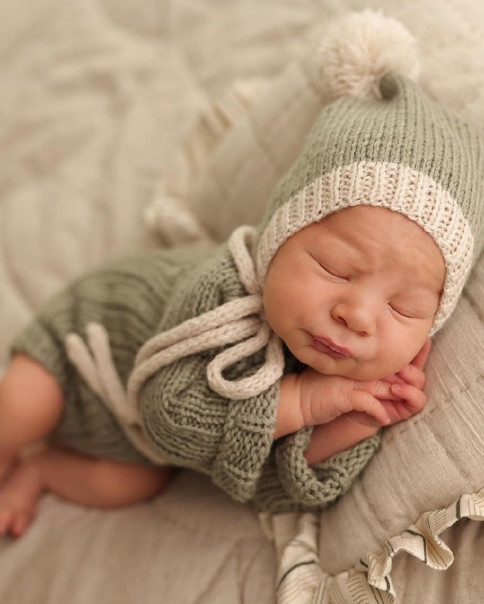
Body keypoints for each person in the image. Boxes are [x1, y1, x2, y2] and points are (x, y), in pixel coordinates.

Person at [0, 12, 482, 537]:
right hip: (82, 351)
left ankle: (41, 471)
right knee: (20, 408)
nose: (359, 315)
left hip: (133, 442)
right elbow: (170, 415)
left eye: (403, 308)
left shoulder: (348, 377)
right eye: (335, 268)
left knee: (135, 483)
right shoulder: (225, 291)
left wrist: (352, 421)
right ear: (279, 236)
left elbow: (271, 486)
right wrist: (305, 402)